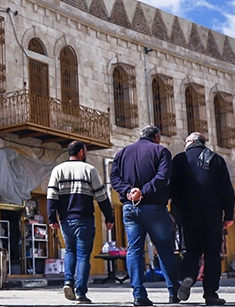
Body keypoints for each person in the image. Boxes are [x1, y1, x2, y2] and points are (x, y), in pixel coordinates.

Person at [110, 125, 180, 306]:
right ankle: (173, 292)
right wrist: (143, 192)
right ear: (156, 137)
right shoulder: (162, 152)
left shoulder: (122, 153)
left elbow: (114, 178)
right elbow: (162, 177)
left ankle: (138, 294)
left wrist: (129, 192)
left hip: (129, 207)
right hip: (154, 207)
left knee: (134, 250)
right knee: (164, 249)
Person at [170, 132, 235, 306]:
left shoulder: (179, 159)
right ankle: (211, 295)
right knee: (213, 253)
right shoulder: (217, 159)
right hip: (212, 213)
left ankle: (188, 278)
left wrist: (178, 211)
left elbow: (172, 189)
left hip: (188, 213)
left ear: (190, 142)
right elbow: (227, 190)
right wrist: (228, 215)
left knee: (191, 250)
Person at [47, 140, 115, 304]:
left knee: (70, 250)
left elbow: (51, 196)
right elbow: (101, 196)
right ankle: (80, 293)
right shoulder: (89, 170)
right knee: (84, 255)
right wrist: (109, 217)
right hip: (84, 219)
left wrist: (51, 218)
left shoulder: (58, 170)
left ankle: (68, 281)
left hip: (65, 219)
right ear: (81, 152)